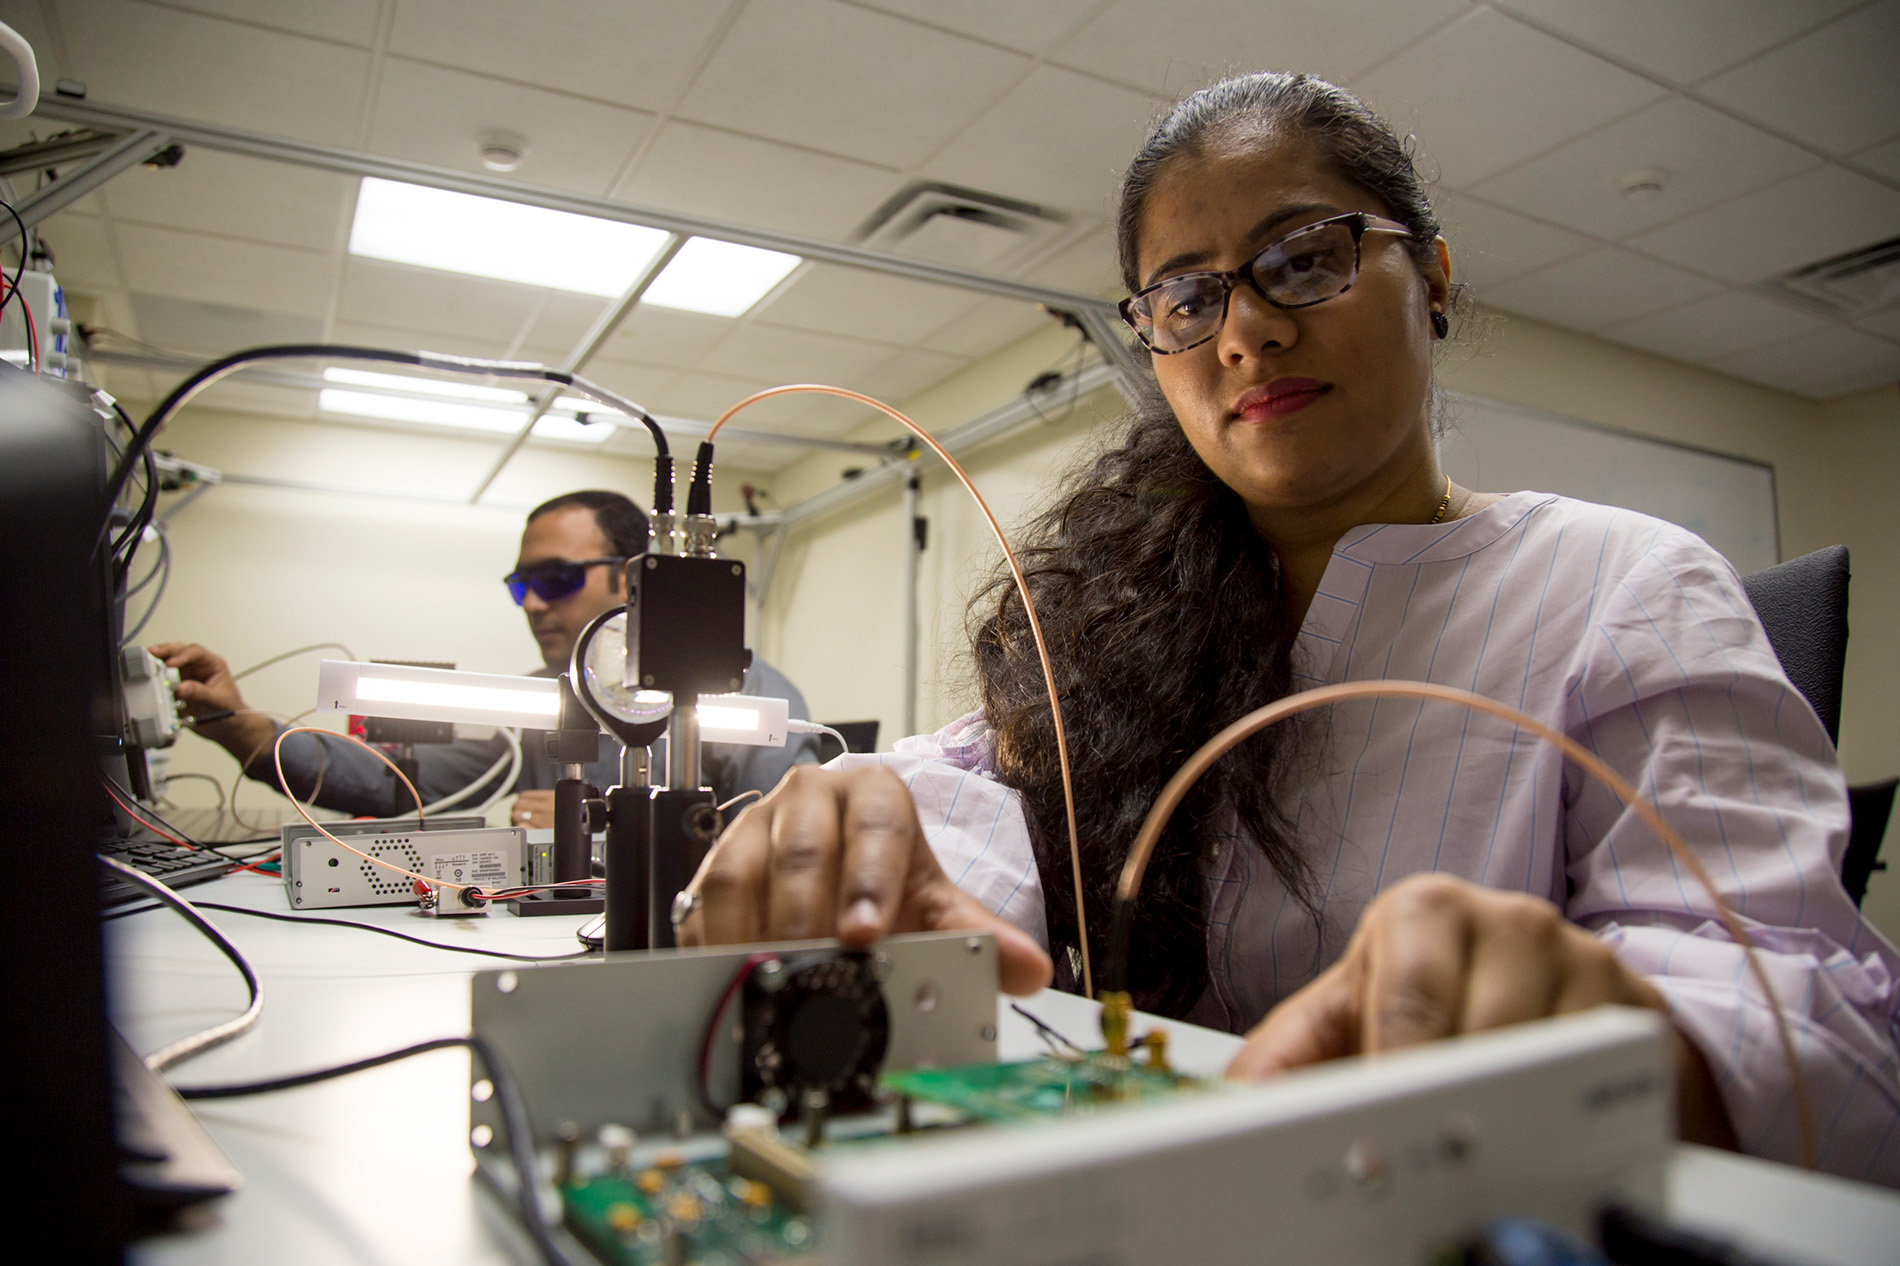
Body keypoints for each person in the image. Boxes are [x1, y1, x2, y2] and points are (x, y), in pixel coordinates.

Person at [674, 72, 1900, 1184]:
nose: (1245, 332)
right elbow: (972, 789)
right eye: (1188, 298)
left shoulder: (1620, 588)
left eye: (1305, 258)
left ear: (1434, 278)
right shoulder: (1112, 612)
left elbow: (1830, 1049)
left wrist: (1622, 1035)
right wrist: (866, 845)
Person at [156, 490, 820, 822]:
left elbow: (791, 825)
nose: (534, 604)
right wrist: (243, 728)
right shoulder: (541, 701)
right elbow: (396, 782)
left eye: (555, 579)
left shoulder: (746, 689)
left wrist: (602, 821)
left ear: (632, 578)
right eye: (522, 586)